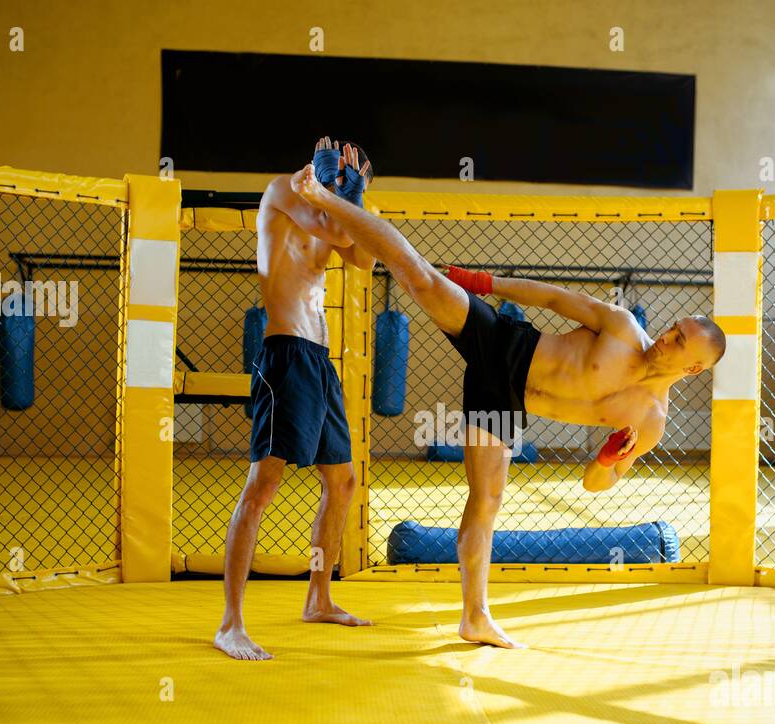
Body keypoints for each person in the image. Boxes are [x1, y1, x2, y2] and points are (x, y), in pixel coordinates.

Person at [291, 162, 726, 649]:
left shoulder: (650, 422)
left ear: (692, 368)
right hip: (505, 346)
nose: (667, 335)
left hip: (504, 400)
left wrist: (606, 461)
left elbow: (595, 485)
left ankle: (474, 616)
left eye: (679, 340)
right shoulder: (624, 327)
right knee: (421, 280)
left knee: (487, 501)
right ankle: (335, 201)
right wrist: (483, 283)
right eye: (674, 327)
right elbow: (555, 298)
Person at [214, 139, 377, 661]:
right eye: (336, 173)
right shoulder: (284, 190)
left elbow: (366, 260)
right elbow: (332, 227)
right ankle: (230, 623)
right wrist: (339, 196)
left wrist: (354, 196)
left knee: (342, 479)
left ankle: (318, 596)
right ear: (318, 166)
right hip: (284, 354)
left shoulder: (334, 209)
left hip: (319, 360)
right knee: (264, 484)